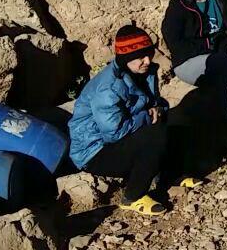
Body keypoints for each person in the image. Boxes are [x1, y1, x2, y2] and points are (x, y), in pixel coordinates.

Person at [68, 25, 200, 216]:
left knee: (174, 120)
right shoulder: (108, 88)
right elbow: (113, 133)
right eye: (140, 57)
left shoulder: (143, 72)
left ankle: (169, 175)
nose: (147, 60)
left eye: (149, 54)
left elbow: (154, 104)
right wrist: (147, 116)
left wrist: (157, 111)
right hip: (94, 151)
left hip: (120, 137)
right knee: (155, 134)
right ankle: (133, 196)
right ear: (125, 58)